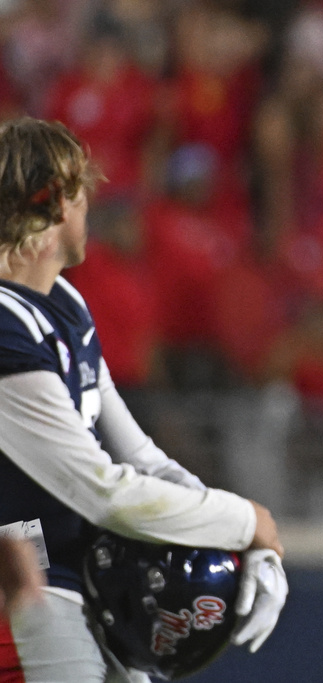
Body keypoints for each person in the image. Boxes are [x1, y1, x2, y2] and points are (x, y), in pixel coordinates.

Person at [0, 117, 287, 682]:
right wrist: (245, 520)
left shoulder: (62, 304)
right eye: (82, 194)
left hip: (74, 579)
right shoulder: (6, 325)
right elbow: (101, 491)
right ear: (55, 203)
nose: (91, 210)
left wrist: (251, 547)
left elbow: (141, 457)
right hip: (26, 586)